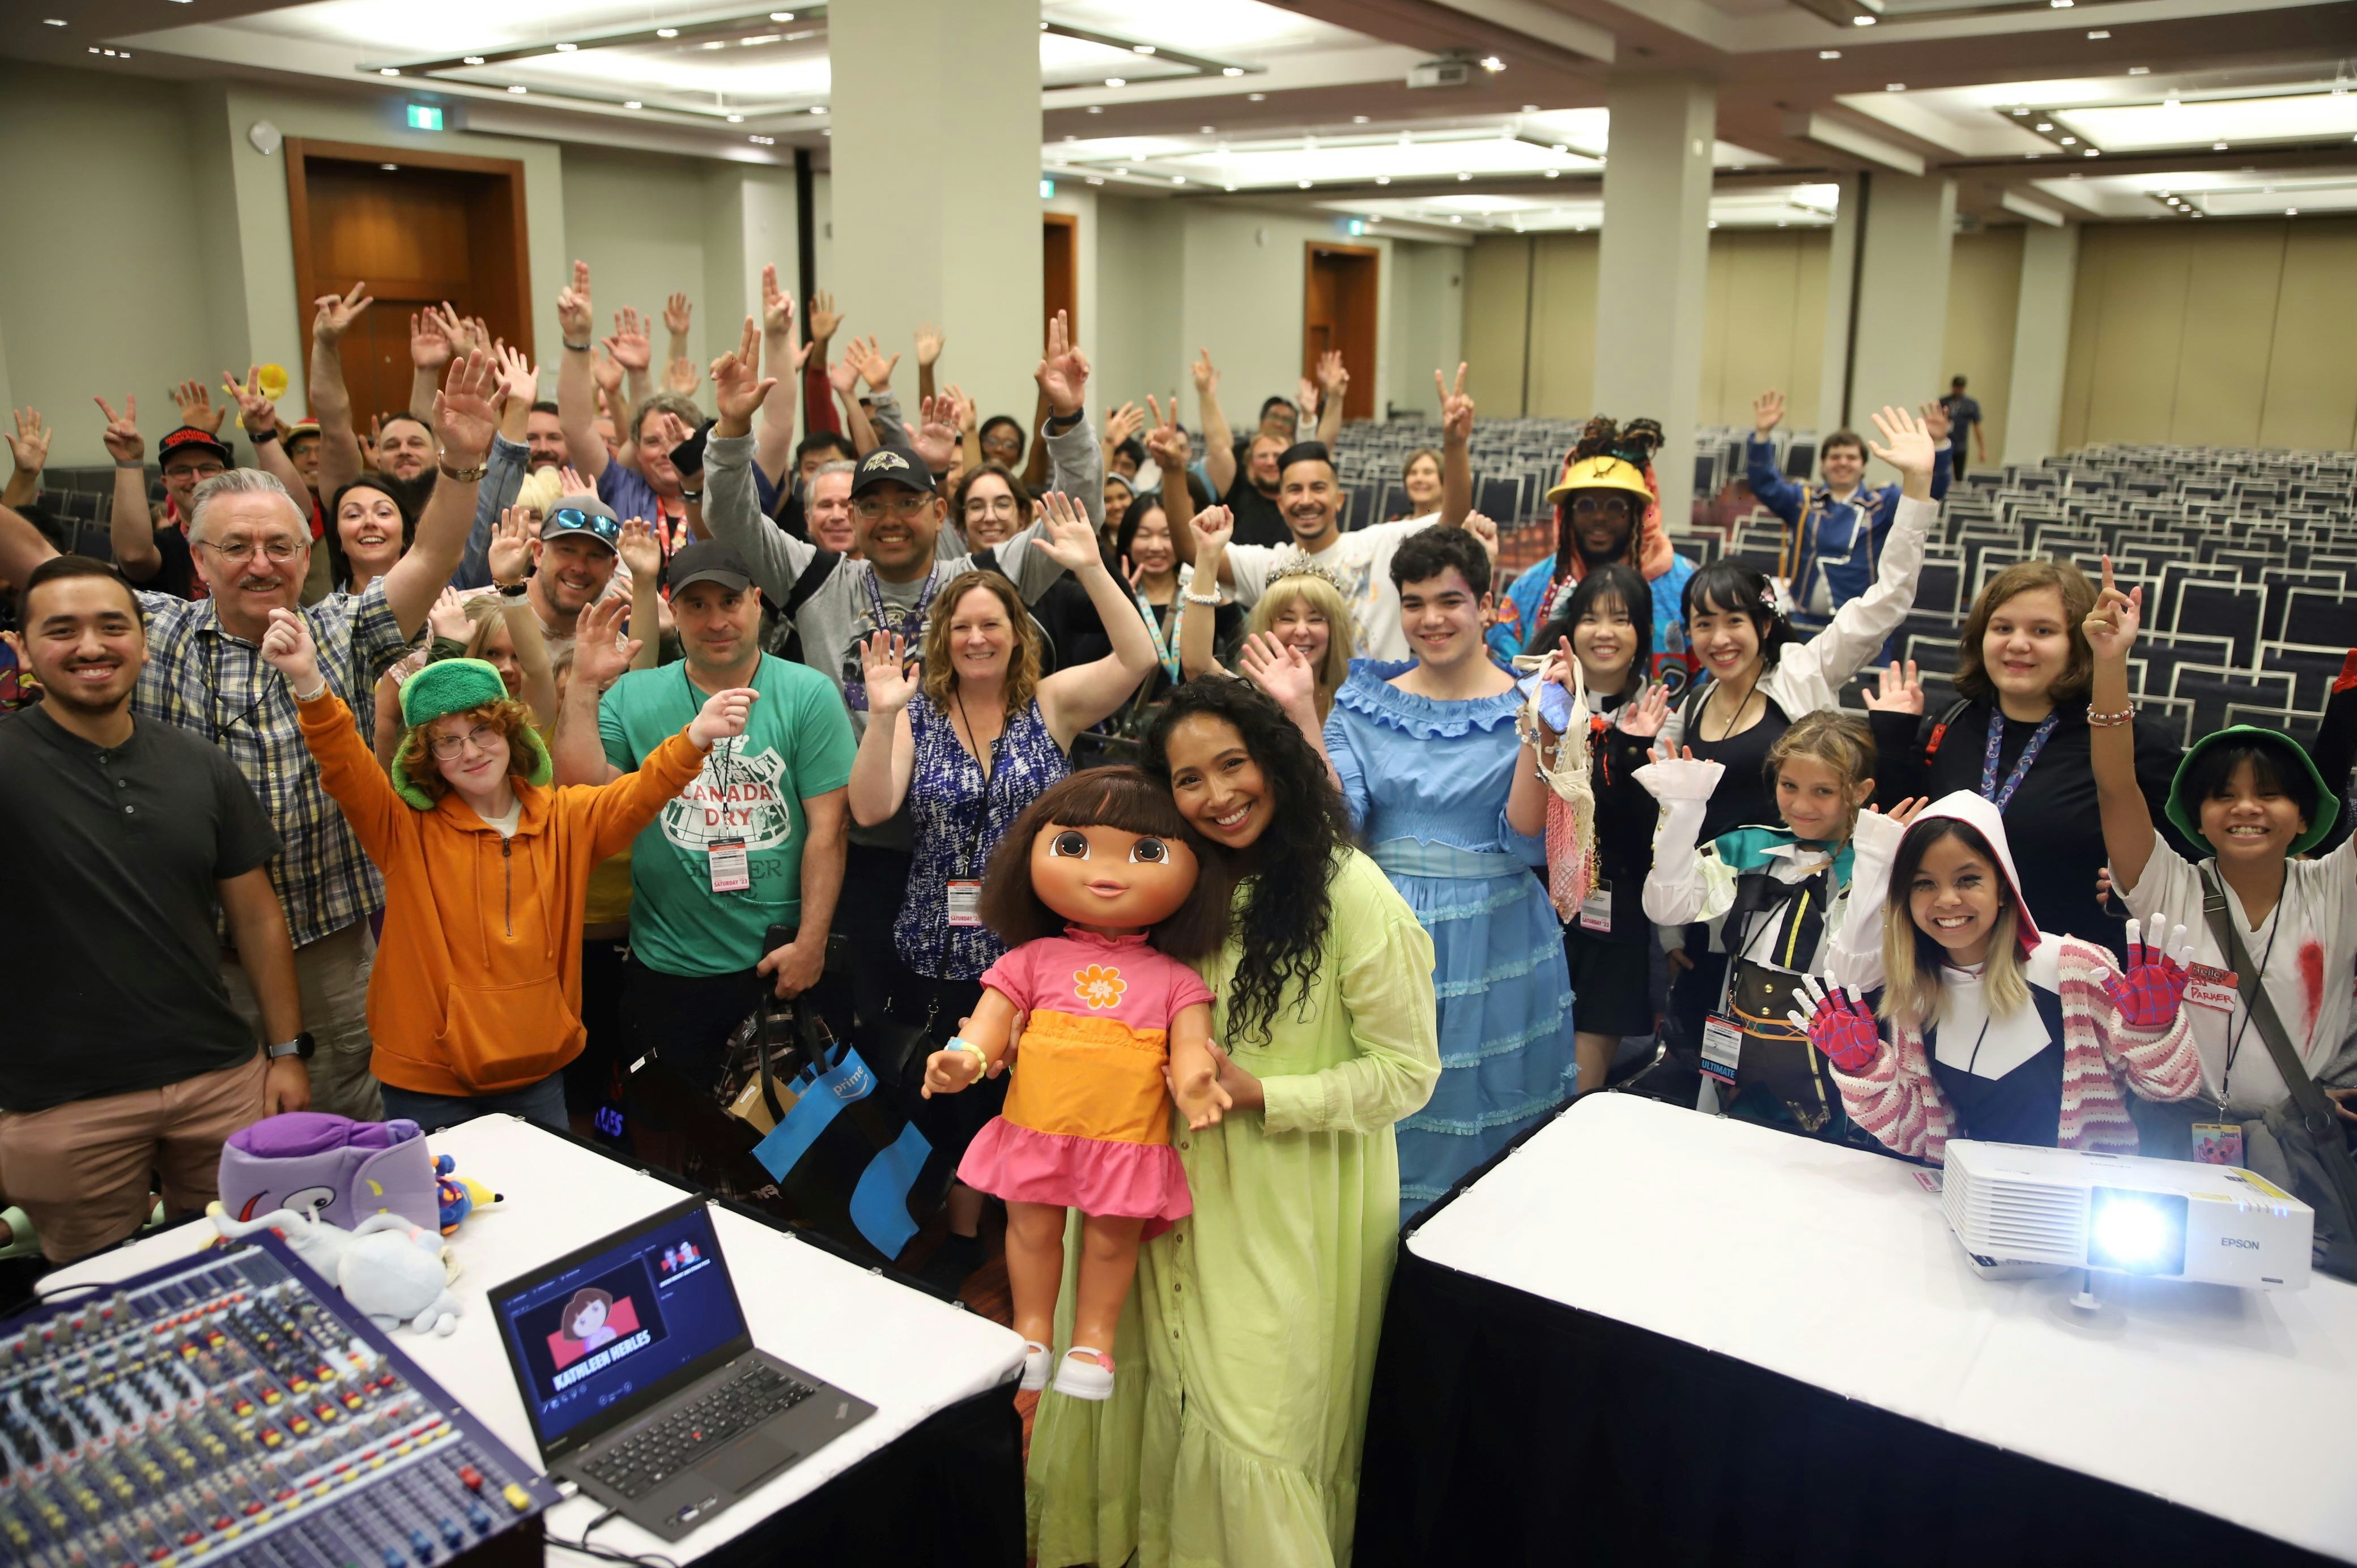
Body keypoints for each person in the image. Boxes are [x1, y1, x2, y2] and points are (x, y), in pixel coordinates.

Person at [0, 350, 506, 1124]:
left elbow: (433, 555)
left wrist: (465, 462)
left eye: (279, 546)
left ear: (307, 555)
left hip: (329, 948)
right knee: (221, 1147)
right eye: (235, 547)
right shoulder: (151, 631)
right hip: (187, 955)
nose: (260, 563)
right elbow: (39, 563)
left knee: (346, 1131)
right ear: (199, 559)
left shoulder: (342, 627)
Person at [1028, 678, 1440, 1568]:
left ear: (1276, 763)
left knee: (1257, 1417)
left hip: (1281, 1208)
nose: (1216, 797)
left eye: (1232, 766)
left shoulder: (1353, 894)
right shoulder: (1168, 880)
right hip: (1146, 1193)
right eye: (1187, 781)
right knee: (1143, 1386)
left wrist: (1266, 1095)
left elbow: (1409, 1075)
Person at [264, 606, 751, 1131]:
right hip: (427, 1081)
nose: (470, 751)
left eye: (482, 731)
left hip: (537, 1075)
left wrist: (696, 736)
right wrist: (309, 682)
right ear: (427, 758)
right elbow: (345, 766)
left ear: (510, 732)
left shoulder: (565, 819)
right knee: (440, 1214)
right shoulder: (404, 831)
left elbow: (639, 793)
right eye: (447, 742)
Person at [846, 496, 1159, 1280]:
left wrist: (1089, 567)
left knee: (1022, 1097)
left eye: (993, 624)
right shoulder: (915, 711)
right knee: (948, 1097)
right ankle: (956, 1240)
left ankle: (1007, 1240)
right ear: (944, 642)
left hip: (1033, 948)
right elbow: (871, 807)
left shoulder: (1048, 705)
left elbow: (1140, 661)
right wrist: (883, 718)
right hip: (934, 943)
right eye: (962, 628)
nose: (978, 638)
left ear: (1017, 634)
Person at [0, 556, 310, 1263]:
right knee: (97, 1301)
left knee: (244, 1267)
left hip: (219, 1077)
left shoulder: (200, 764)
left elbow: (259, 918)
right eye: (62, 629)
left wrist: (287, 1053)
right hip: (64, 1103)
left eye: (112, 626)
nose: (91, 646)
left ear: (143, 639)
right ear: (21, 647)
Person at [1321, 527, 1574, 1218]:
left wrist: (1538, 736)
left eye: (1449, 600)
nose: (1430, 618)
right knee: (1387, 1118)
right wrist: (1295, 712)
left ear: (1486, 604)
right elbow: (1343, 824)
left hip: (1498, 938)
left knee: (1487, 1117)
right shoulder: (1362, 702)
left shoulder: (1532, 698)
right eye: (1413, 602)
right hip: (1386, 930)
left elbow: (1524, 844)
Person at [551, 546, 858, 1113]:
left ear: (757, 602)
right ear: (673, 610)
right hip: (670, 968)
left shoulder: (807, 692)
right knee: (681, 1133)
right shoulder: (634, 694)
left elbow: (828, 828)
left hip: (777, 964)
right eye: (696, 604)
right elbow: (581, 792)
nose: (716, 620)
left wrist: (811, 942)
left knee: (790, 1147)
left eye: (729, 601)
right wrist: (582, 686)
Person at [2086, 561, 2357, 1130]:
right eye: (2222, 795)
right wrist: (2109, 665)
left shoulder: (2336, 885)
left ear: (2304, 816)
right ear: (2197, 818)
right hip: (2171, 1127)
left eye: (2269, 794)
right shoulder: (2168, 885)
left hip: (2300, 1137)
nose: (2245, 808)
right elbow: (2115, 787)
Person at [1801, 792, 2203, 1159]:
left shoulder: (2075, 969)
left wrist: (2155, 1032)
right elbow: (1919, 1137)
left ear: (2003, 887)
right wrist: (1865, 1070)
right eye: (1924, 884)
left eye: (1968, 879)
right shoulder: (1915, 996)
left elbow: (2170, 1089)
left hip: (2083, 1215)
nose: (1946, 900)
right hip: (1963, 1209)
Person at [1862, 559, 2182, 961]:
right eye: (2003, 628)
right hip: (1954, 967)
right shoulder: (1951, 726)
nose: (2017, 644)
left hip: (2079, 977)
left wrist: (2136, 892)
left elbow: (2185, 867)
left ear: (2078, 642)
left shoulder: (2130, 743)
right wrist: (1892, 742)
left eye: (2042, 631)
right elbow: (1899, 841)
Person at [1639, 711, 1882, 1137]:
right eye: (1789, 786)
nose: (1802, 806)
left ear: (1860, 792)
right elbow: (1668, 907)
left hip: (1832, 1063)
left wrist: (1877, 868)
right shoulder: (1749, 846)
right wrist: (1682, 814)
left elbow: (1859, 972)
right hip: (1738, 1046)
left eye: (1823, 791)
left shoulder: (1873, 864)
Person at [1512, 565, 1674, 1094]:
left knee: (1577, 1094)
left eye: (1621, 620)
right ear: (1572, 629)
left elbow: (1644, 838)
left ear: (1642, 635)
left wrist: (1630, 750)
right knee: (1524, 1078)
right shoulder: (1542, 700)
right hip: (1539, 913)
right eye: (1591, 618)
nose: (1604, 632)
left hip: (1615, 924)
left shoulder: (1663, 715)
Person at [1489, 415, 1699, 689]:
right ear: (1567, 515)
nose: (1599, 518)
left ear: (1637, 514)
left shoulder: (1684, 585)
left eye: (1614, 507)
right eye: (1586, 506)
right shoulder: (1531, 587)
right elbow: (1504, 672)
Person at [1747, 389, 1951, 625]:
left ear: (1863, 466)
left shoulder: (1883, 503)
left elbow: (1929, 491)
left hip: (1862, 626)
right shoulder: (1802, 501)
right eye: (1835, 457)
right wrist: (1762, 435)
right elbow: (1764, 484)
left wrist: (1939, 445)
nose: (1843, 462)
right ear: (1823, 465)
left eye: (1851, 458)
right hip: (1803, 622)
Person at [1180, 506, 1354, 723]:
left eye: (1316, 619)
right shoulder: (1250, 699)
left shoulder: (1359, 705)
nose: (1301, 630)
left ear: (1334, 629)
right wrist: (1208, 555)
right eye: (1287, 618)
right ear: (1268, 626)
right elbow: (1197, 665)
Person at [322, 476, 413, 596]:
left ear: (405, 535)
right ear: (338, 537)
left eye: (383, 513)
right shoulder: (320, 615)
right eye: (353, 515)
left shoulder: (442, 604)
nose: (370, 522)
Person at [1939, 375, 1986, 479]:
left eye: (1961, 387)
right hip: (1945, 441)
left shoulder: (1970, 404)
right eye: (1957, 387)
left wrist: (1982, 449)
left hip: (1961, 444)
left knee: (1959, 474)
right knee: (1942, 472)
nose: (1959, 390)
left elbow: (1977, 426)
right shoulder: (1944, 402)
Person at [1398, 445, 1443, 518]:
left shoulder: (1460, 526)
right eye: (1413, 473)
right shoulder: (1392, 526)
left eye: (1428, 472)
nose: (1419, 479)